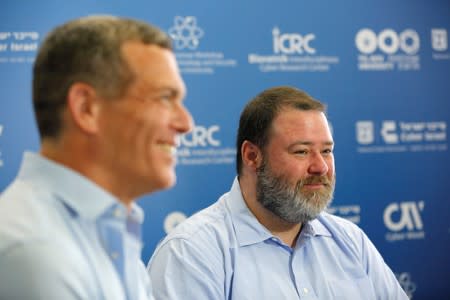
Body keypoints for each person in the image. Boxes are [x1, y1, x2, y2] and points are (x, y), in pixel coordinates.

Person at [148, 86, 408, 299]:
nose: (321, 166)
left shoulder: (351, 241)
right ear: (252, 156)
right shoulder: (190, 253)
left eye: (327, 151)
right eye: (301, 151)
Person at [0, 15, 192, 299]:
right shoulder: (34, 252)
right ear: (87, 108)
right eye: (165, 97)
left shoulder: (109, 230)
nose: (186, 122)